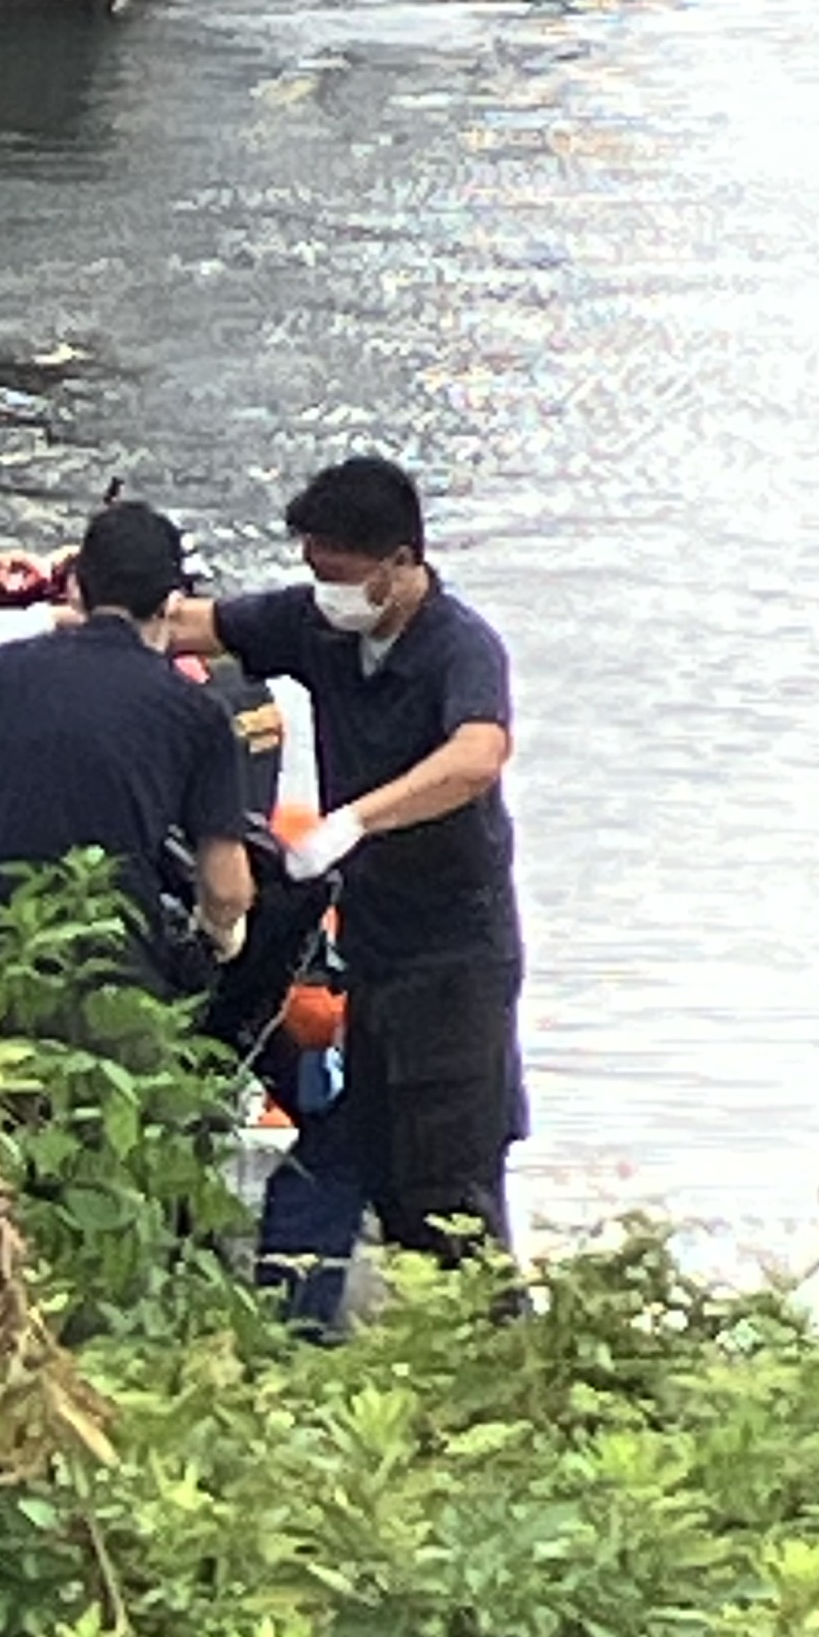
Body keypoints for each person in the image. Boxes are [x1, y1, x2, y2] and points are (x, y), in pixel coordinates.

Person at [168, 453, 523, 1275]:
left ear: (401, 564)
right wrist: (69, 605)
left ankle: (491, 1350)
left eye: (343, 575)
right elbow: (194, 624)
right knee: (382, 1160)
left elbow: (477, 755)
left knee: (452, 1176)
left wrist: (358, 820)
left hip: (456, 951)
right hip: (371, 945)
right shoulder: (318, 626)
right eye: (315, 573)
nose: (328, 593)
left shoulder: (457, 647)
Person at [0, 497, 252, 999]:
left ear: (76, 588)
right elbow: (227, 889)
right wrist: (219, 938)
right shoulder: (196, 713)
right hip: (106, 987)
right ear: (172, 603)